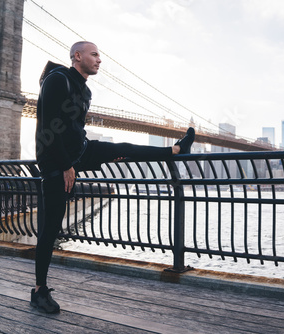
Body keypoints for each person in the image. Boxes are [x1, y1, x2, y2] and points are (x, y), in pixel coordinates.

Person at [31, 41, 195, 313]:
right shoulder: (57, 79)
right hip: (55, 163)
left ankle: (176, 149)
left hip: (80, 152)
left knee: (124, 149)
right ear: (77, 56)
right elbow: (49, 128)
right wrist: (65, 166)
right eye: (94, 54)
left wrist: (88, 157)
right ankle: (39, 291)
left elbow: (73, 130)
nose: (99, 60)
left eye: (100, 56)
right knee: (50, 229)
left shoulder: (85, 90)